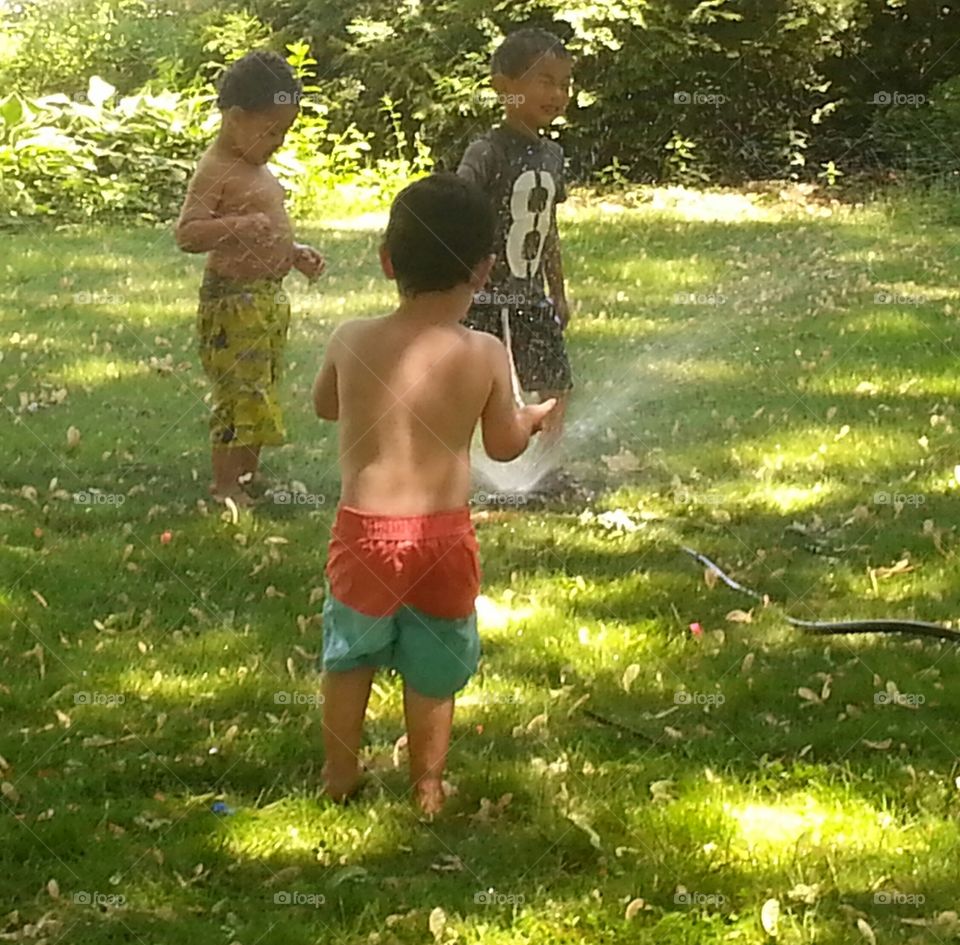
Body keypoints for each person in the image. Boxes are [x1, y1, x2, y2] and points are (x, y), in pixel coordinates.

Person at [312, 173, 555, 815]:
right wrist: (530, 419)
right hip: (442, 539)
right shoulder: (484, 351)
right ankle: (427, 787)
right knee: (434, 669)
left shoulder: (351, 338)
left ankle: (340, 775)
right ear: (482, 271)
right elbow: (502, 446)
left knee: (349, 659)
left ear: (387, 260)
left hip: (364, 534)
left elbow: (325, 405)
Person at [175, 50, 325, 505]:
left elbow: (268, 232)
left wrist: (293, 254)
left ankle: (246, 478)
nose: (279, 140)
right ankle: (224, 485)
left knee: (259, 393)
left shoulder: (256, 165)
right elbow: (187, 234)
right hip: (232, 303)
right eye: (272, 130)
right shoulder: (215, 171)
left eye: (285, 131)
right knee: (237, 395)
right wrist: (235, 227)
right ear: (236, 118)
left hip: (265, 299)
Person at [457, 27, 573, 446]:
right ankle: (466, 462)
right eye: (544, 81)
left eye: (564, 84)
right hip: (486, 297)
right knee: (480, 388)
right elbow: (459, 207)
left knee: (556, 381)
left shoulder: (552, 155)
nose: (557, 94)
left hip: (531, 295)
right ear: (504, 87)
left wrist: (557, 289)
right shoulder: (487, 152)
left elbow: (547, 227)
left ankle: (545, 471)